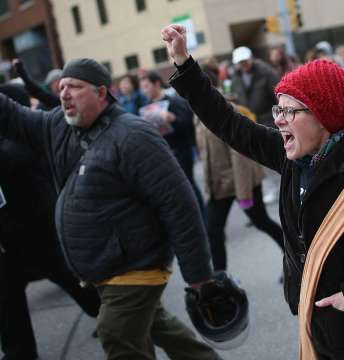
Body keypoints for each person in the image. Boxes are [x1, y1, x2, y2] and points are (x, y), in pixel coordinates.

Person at [163, 24, 344, 359]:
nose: (278, 120)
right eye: (278, 109)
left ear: (324, 117)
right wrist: (185, 65)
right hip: (316, 325)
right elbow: (229, 124)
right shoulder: (293, 158)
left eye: (289, 111)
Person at [0, 58, 220, 360]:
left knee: (116, 331)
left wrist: (199, 276)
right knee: (158, 327)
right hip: (104, 270)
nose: (64, 93)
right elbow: (11, 116)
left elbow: (179, 204)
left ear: (102, 93)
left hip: (135, 267)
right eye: (61, 87)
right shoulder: (57, 126)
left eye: (74, 87)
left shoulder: (134, 136)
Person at [0, 83, 101, 360]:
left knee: (76, 284)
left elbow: (12, 157)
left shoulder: (27, 135)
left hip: (39, 234)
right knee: (8, 305)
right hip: (7, 242)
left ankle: (113, 317)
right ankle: (19, 354)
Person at [195, 64, 285, 273]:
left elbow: (240, 154)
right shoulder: (196, 109)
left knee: (261, 221)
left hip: (242, 181)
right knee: (213, 230)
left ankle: (294, 257)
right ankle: (220, 279)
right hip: (220, 184)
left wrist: (244, 193)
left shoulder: (225, 108)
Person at [139, 71, 206, 212]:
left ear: (156, 84)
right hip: (164, 150)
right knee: (179, 186)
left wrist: (173, 119)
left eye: (146, 86)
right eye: (142, 88)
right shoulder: (149, 107)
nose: (144, 91)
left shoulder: (174, 101)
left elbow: (190, 123)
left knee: (188, 183)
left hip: (182, 148)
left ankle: (203, 216)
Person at [230, 46, 281, 204]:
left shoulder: (265, 72)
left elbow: (278, 95)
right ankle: (276, 188)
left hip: (269, 120)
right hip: (250, 122)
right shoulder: (236, 78)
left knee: (278, 155)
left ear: (250, 58)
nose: (243, 64)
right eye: (240, 62)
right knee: (264, 160)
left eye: (245, 61)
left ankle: (284, 186)